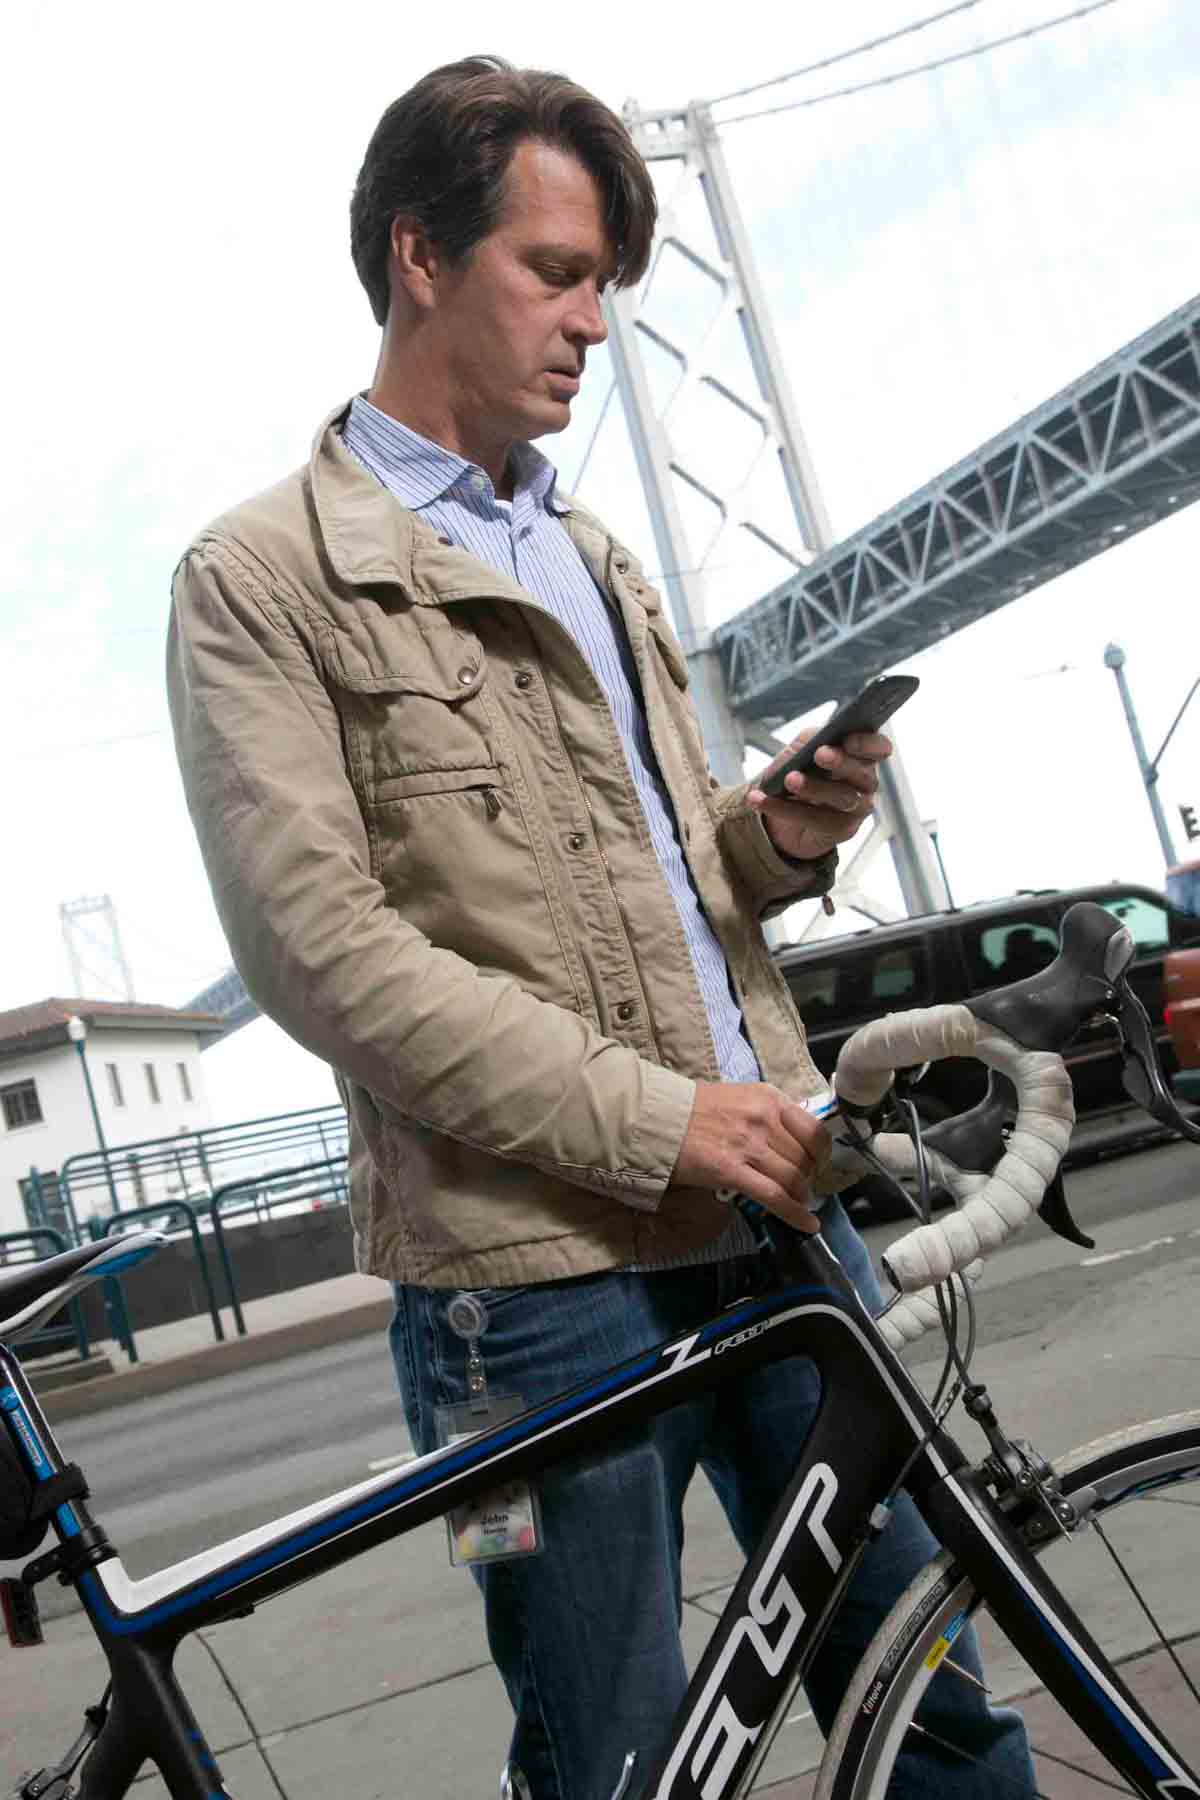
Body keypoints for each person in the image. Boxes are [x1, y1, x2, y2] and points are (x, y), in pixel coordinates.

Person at [167, 56, 1032, 1800]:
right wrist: (658, 1119)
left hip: (771, 1205)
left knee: (933, 1699)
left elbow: (649, 886)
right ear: (420, 256)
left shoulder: (598, 552)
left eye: (611, 290)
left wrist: (770, 842)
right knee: (614, 1759)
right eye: (555, 273)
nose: (594, 325)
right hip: (527, 1293)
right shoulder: (262, 579)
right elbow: (323, 955)